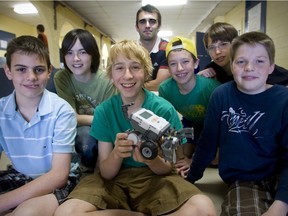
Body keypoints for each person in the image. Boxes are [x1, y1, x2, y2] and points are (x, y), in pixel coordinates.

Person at [54, 40, 216, 216]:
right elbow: (106, 173)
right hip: (114, 181)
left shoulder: (165, 109)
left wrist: (151, 159)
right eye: (119, 68)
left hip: (155, 179)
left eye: (135, 67)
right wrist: (116, 154)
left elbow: (169, 166)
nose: (128, 75)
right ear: (111, 75)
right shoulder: (104, 111)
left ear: (146, 72)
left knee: (204, 208)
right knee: (65, 212)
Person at [186, 31, 288, 215]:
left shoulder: (284, 99)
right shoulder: (222, 95)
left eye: (259, 61)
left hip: (283, 174)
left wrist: (280, 205)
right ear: (231, 66)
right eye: (241, 62)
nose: (249, 67)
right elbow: (207, 144)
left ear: (271, 67)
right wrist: (190, 179)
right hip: (245, 179)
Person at [0, 35, 80, 215]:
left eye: (39, 69)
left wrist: (4, 202)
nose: (31, 77)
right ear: (8, 71)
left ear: (49, 71)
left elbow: (59, 175)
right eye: (21, 69)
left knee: (25, 213)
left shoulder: (61, 111)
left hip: (59, 181)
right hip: (20, 175)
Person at [54, 29, 117, 172]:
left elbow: (109, 121)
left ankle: (93, 173)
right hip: (76, 131)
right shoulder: (61, 78)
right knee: (82, 134)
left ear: (93, 54)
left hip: (104, 132)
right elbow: (68, 118)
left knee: (88, 136)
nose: (75, 58)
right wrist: (97, 119)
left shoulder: (107, 81)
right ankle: (80, 172)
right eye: (69, 53)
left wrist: (81, 119)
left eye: (82, 52)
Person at [158, 36, 220, 177]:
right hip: (191, 124)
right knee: (181, 155)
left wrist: (192, 161)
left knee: (216, 159)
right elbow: (168, 124)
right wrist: (181, 158)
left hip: (214, 128)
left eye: (185, 62)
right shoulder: (165, 89)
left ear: (196, 63)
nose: (180, 68)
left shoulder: (212, 89)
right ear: (168, 68)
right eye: (173, 64)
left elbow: (220, 127)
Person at [198, 22, 288, 86]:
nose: (217, 52)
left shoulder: (258, 67)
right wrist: (199, 79)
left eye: (223, 44)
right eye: (212, 47)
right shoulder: (211, 70)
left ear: (235, 44)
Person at [135, 4, 170, 91]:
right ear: (137, 27)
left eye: (152, 21)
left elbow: (159, 85)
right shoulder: (130, 51)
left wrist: (130, 86)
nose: (147, 25)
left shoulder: (168, 49)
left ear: (159, 26)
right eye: (142, 21)